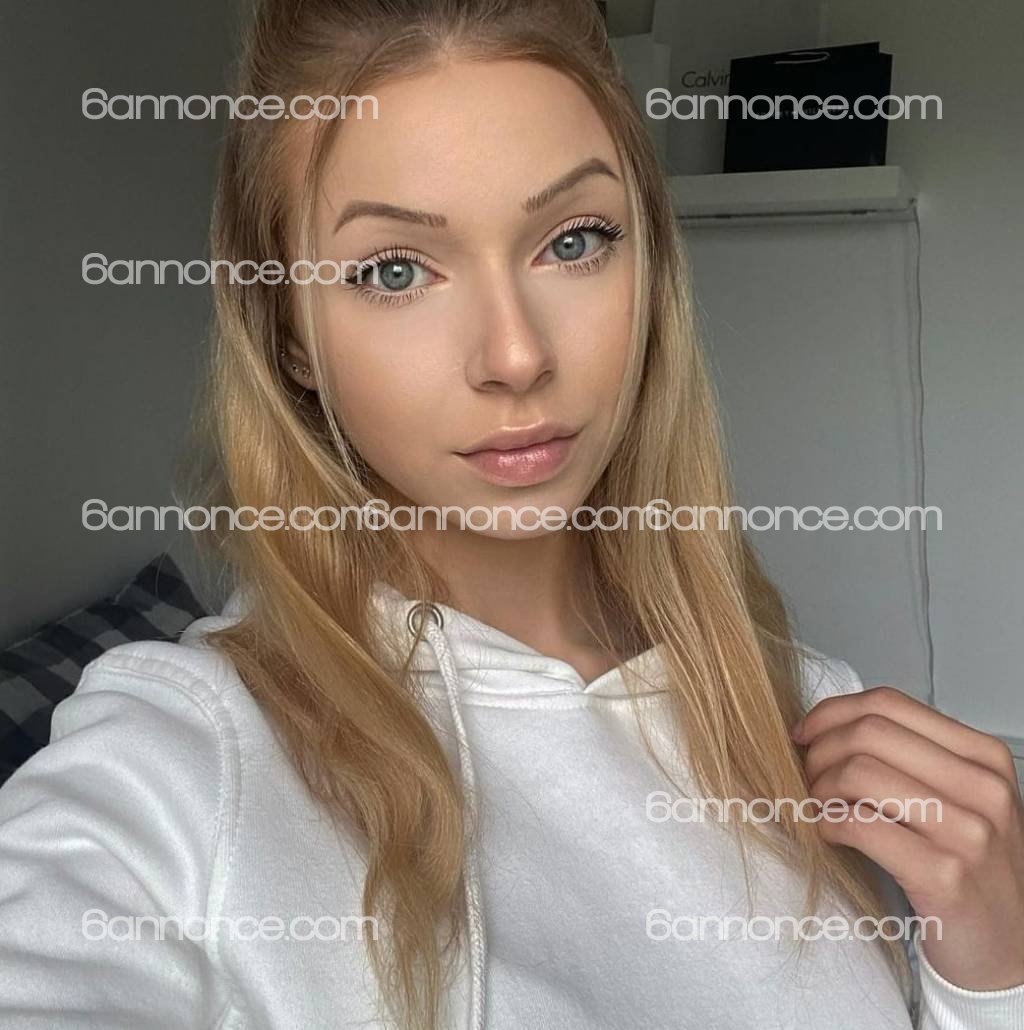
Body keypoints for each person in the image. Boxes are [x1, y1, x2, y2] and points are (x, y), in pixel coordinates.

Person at [1, 1, 1022, 1027]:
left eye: (574, 240)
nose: (517, 354)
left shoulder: (800, 705)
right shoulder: (186, 757)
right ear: (290, 336)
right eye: (394, 270)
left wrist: (991, 972)